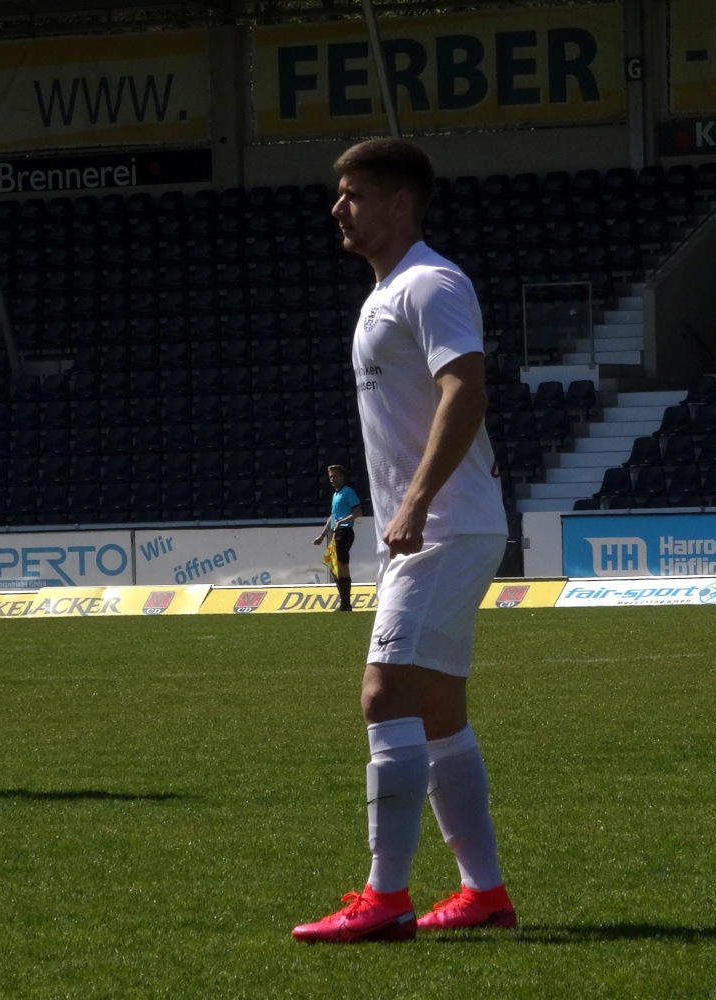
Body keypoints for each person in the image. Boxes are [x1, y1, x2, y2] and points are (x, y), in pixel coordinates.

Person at [292, 138, 514, 943]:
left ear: (399, 202)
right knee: (436, 712)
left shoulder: (430, 283)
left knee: (383, 695)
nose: (337, 207)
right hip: (441, 527)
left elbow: (466, 391)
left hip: (442, 526)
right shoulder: (386, 292)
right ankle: (483, 892)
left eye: (353, 194)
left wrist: (415, 502)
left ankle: (384, 898)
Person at [312, 464, 363, 611]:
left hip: (345, 532)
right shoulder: (335, 495)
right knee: (333, 567)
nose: (332, 479)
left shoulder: (348, 491)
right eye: (330, 477)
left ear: (342, 476)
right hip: (336, 532)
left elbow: (358, 512)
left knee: (341, 566)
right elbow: (333, 516)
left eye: (335, 476)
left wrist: (342, 521)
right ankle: (344, 603)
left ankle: (346, 604)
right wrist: (322, 535)